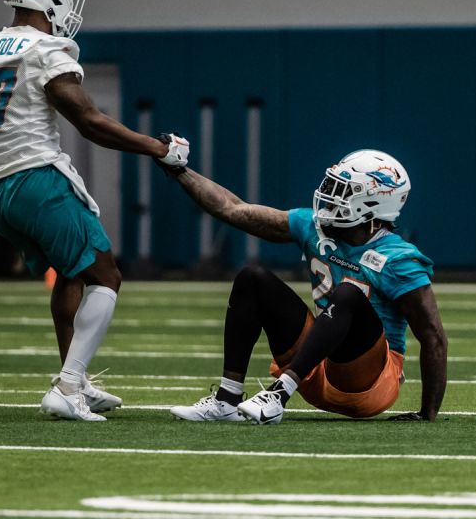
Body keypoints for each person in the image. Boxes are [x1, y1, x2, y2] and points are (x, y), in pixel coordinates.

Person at [0, 0, 190, 421]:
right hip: (36, 179)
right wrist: (157, 148)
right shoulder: (46, 51)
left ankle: (74, 377)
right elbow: (89, 121)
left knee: (70, 271)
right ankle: (66, 386)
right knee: (105, 276)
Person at [165, 149, 448, 424]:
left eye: (344, 191)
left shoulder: (398, 258)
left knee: (348, 293)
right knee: (252, 279)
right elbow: (234, 209)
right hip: (316, 368)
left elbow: (433, 335)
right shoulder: (314, 226)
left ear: (373, 203)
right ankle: (227, 399)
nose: (331, 197)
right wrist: (179, 170)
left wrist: (428, 412)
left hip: (368, 384)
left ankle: (278, 395)